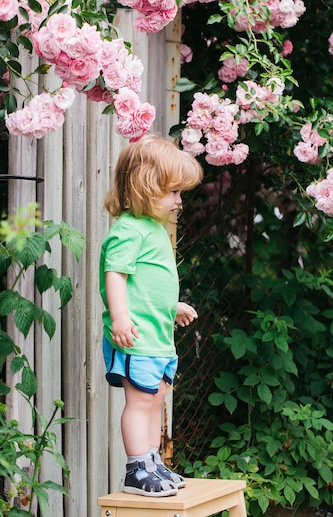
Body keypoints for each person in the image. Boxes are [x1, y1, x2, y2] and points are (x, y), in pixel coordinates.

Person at [100, 134, 203, 497]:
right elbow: (116, 274)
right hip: (135, 336)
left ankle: (152, 460)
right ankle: (136, 469)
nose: (179, 202)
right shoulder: (128, 229)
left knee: (157, 398)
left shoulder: (155, 230)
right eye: (173, 192)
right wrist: (119, 317)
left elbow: (145, 285)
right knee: (140, 401)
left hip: (158, 336)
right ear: (145, 187)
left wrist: (170, 307)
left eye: (180, 194)